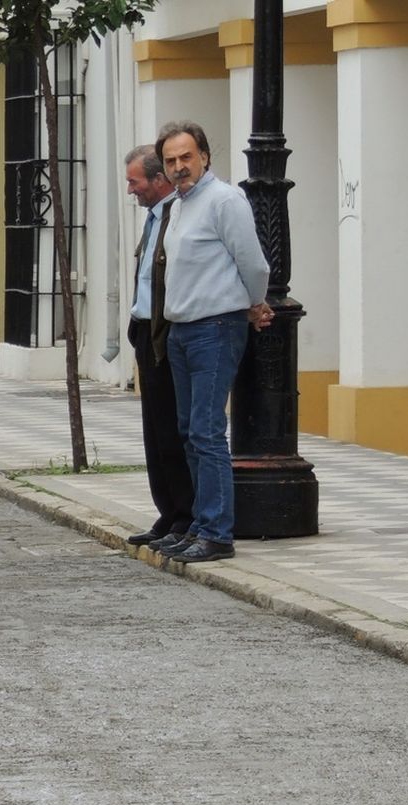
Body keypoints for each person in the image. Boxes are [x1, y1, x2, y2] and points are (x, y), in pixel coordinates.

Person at [154, 121, 272, 564]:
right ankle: (199, 525)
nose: (179, 166)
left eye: (186, 157)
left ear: (204, 155)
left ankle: (217, 533)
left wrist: (255, 303)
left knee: (206, 432)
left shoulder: (224, 200)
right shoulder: (180, 205)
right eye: (170, 160)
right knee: (190, 432)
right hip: (183, 330)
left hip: (215, 328)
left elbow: (253, 262)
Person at [122, 144, 194, 550]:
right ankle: (167, 512)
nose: (131, 189)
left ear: (158, 180)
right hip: (145, 329)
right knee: (154, 429)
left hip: (168, 331)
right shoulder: (154, 217)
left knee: (172, 428)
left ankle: (185, 514)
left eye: (135, 182)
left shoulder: (178, 215)